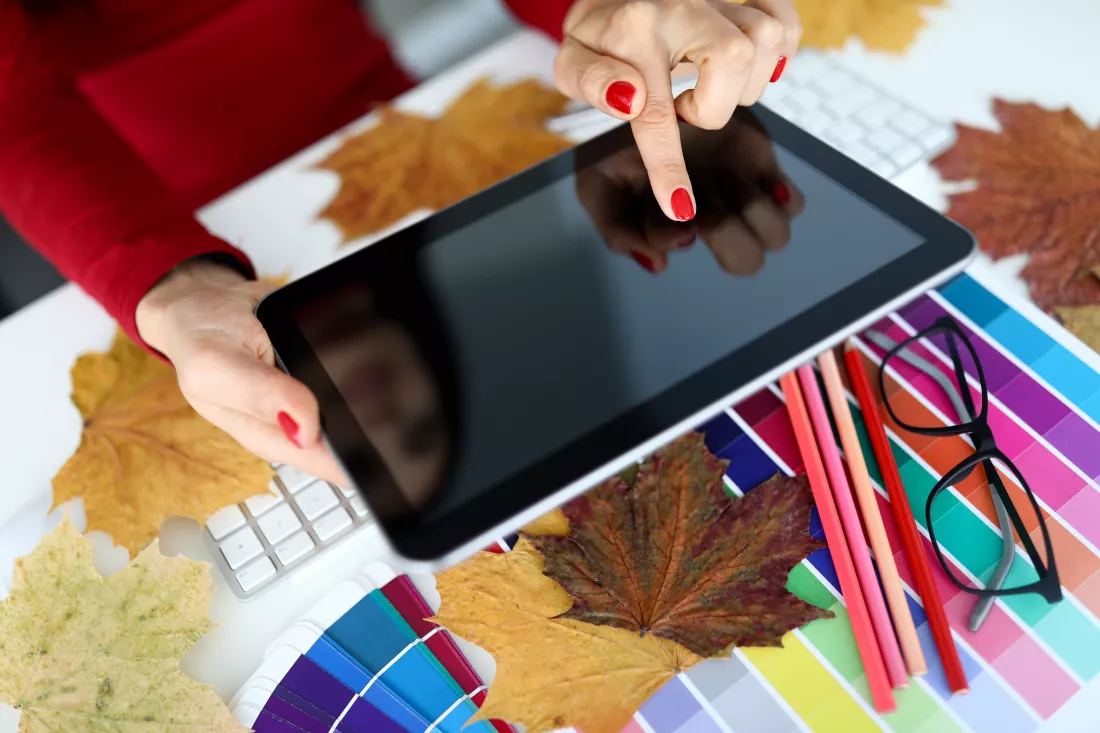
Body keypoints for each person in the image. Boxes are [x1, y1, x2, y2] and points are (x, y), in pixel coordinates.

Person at [0, 0, 802, 486]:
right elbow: (13, 105)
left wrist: (609, 15)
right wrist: (172, 281)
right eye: (428, 424)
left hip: (394, 134)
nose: (392, 412)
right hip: (146, 192)